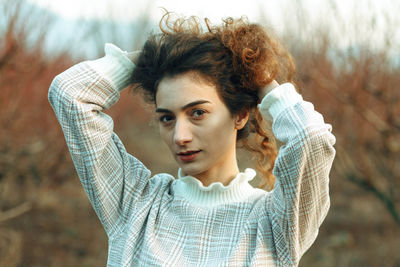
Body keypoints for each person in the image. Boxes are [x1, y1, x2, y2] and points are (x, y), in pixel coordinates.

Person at [48, 12, 336, 267]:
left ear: (239, 115)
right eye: (167, 118)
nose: (180, 136)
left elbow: (310, 139)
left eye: (197, 112)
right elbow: (70, 95)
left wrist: (258, 78)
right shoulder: (136, 206)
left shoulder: (276, 224)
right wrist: (150, 59)